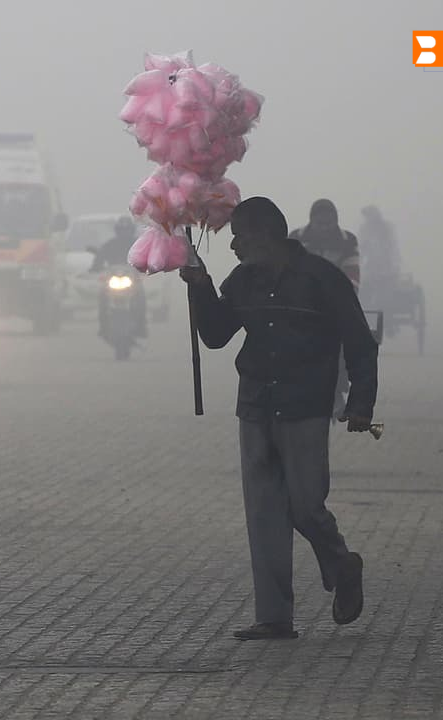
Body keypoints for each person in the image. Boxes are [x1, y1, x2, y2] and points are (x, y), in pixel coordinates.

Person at [180, 196, 375, 640]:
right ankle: (274, 617)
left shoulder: (321, 280)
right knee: (264, 513)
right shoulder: (243, 280)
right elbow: (215, 335)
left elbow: (360, 342)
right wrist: (200, 286)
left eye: (239, 238)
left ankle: (342, 562)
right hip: (255, 405)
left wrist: (362, 402)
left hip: (305, 406)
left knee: (306, 506)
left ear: (266, 234)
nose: (234, 248)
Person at [291, 199, 361, 419]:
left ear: (335, 222)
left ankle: (338, 389)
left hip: (335, 304)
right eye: (320, 224)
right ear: (312, 221)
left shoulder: (347, 241)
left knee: (338, 344)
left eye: (328, 224)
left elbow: (352, 277)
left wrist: (339, 300)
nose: (324, 228)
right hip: (300, 304)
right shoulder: (296, 239)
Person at [91, 216, 147, 339]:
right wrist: (95, 267)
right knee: (102, 297)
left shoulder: (138, 244)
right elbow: (99, 257)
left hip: (132, 279)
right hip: (112, 279)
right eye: (122, 230)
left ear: (131, 230)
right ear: (117, 231)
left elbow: (147, 257)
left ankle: (141, 327)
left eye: (126, 230)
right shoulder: (110, 245)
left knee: (141, 297)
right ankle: (103, 326)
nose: (124, 233)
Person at [357, 205, 400, 308]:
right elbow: (361, 249)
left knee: (385, 295)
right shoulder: (365, 229)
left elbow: (392, 248)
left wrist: (395, 265)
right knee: (365, 292)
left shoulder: (386, 229)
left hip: (386, 269)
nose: (368, 218)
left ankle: (385, 311)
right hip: (371, 268)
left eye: (370, 215)